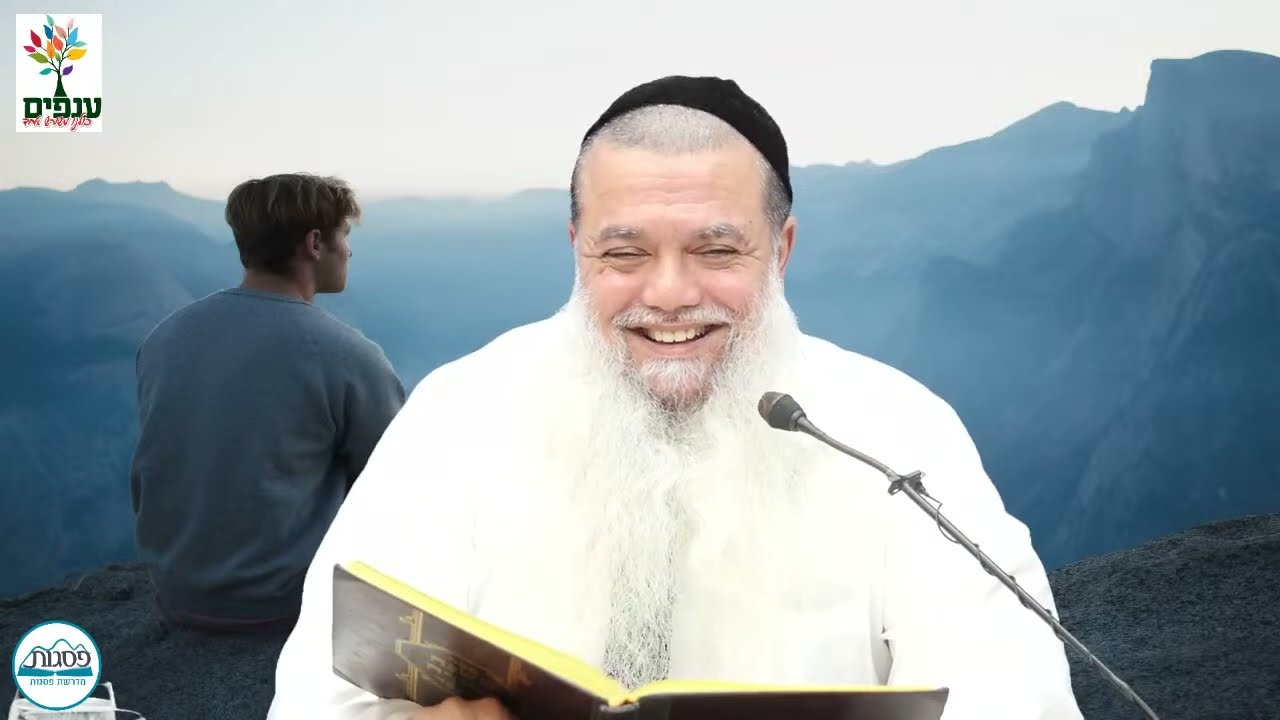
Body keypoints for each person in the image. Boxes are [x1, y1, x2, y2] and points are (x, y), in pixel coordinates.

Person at [267, 79, 1084, 719]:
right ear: (578, 250)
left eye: (716, 250)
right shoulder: (459, 412)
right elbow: (322, 688)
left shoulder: (893, 428)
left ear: (781, 250)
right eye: (624, 254)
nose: (668, 294)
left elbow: (1010, 686)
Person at [129, 172, 407, 634]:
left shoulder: (165, 339)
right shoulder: (346, 355)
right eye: (344, 234)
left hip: (177, 592)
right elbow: (395, 481)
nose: (349, 250)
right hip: (283, 601)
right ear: (315, 243)